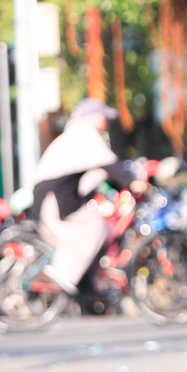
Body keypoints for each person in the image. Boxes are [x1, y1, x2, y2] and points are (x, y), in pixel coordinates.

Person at [32, 98, 146, 299]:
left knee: (92, 229)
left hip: (53, 197)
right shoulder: (84, 133)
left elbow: (104, 174)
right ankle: (60, 275)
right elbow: (110, 166)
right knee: (96, 227)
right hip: (54, 200)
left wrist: (124, 185)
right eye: (104, 118)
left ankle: (86, 290)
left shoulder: (75, 134)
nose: (106, 123)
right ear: (94, 117)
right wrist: (133, 183)